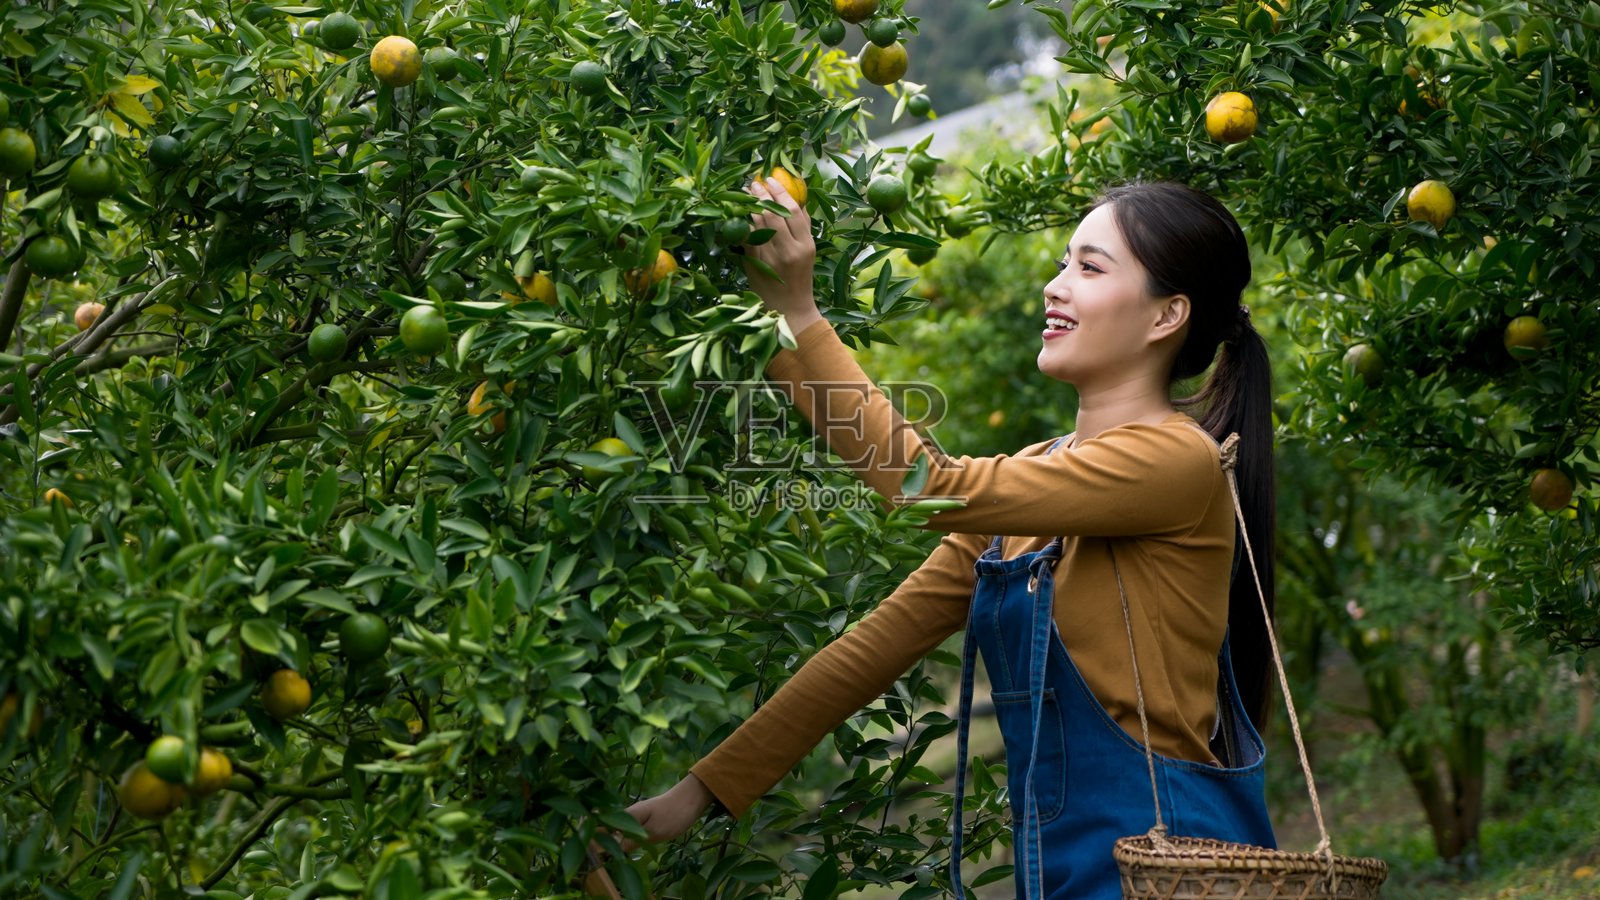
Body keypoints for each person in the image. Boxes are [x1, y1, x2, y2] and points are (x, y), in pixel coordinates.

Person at [621, 178, 1280, 899]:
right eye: (1062, 263)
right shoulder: (1035, 480)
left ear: (1167, 315)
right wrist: (699, 791)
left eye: (1089, 268)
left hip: (1167, 868)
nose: (1055, 287)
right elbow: (872, 649)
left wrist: (800, 311)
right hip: (1061, 869)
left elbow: (925, 484)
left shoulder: (1175, 460)